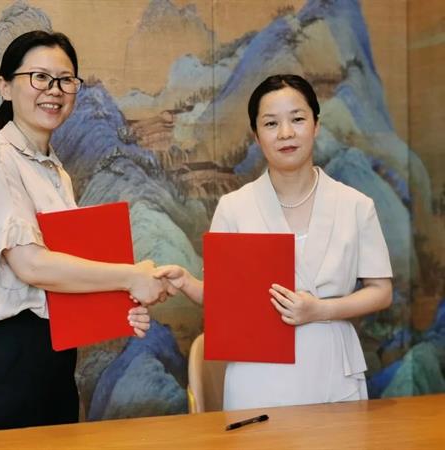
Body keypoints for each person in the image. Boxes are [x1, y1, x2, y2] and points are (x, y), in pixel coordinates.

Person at [0, 30, 166, 432]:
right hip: (3, 367)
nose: (54, 90)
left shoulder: (57, 172)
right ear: (5, 86)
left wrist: (121, 303)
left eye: (65, 80)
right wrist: (129, 276)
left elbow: (64, 278)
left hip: (56, 362)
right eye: (40, 77)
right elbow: (31, 266)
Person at [155, 74, 393, 410]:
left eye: (297, 119)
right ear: (256, 135)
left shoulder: (356, 205)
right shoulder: (234, 207)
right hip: (257, 376)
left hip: (332, 369)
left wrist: (321, 310)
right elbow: (225, 299)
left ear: (316, 125)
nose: (285, 133)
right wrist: (187, 282)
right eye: (271, 123)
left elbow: (381, 291)